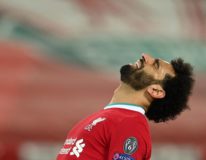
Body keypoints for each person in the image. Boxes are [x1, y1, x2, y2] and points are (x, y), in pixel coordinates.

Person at [56, 53, 194, 160]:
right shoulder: (106, 119)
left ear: (156, 91)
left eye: (155, 65)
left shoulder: (130, 123)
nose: (145, 56)